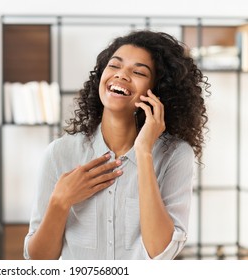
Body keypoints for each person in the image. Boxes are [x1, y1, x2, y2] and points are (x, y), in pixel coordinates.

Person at [23, 29, 210, 260]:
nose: (121, 75)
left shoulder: (175, 155)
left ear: (158, 91)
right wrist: (61, 201)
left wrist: (143, 153)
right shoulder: (60, 153)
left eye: (139, 72)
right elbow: (38, 261)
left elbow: (159, 253)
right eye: (114, 65)